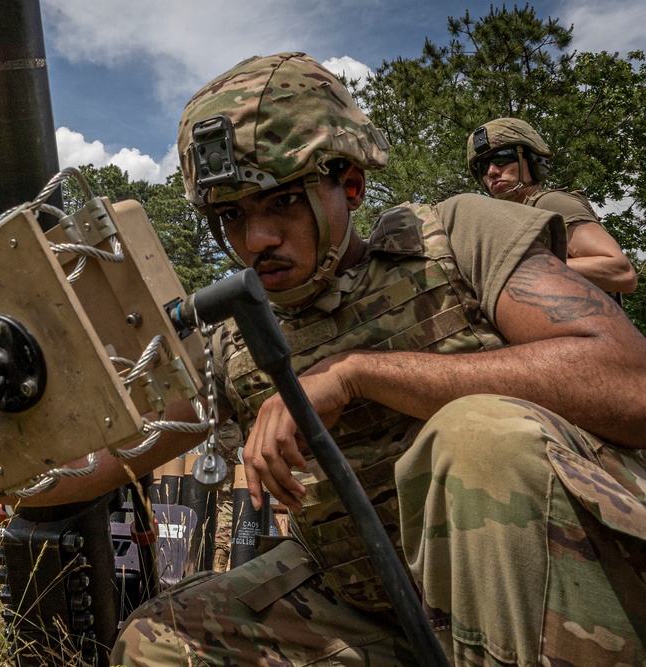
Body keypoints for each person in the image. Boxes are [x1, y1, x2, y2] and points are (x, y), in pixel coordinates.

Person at [95, 53, 646, 665]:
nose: (256, 240)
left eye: (280, 202)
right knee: (161, 643)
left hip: (573, 596)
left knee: (480, 437)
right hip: (376, 611)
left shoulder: (458, 236)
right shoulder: (233, 343)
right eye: (231, 215)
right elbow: (99, 456)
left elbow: (630, 385)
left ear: (349, 185)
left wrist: (357, 374)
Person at [467, 117, 637, 296]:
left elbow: (620, 272)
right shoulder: (504, 223)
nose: (491, 172)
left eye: (502, 158)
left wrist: (522, 268)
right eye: (483, 166)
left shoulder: (549, 203)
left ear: (532, 160)